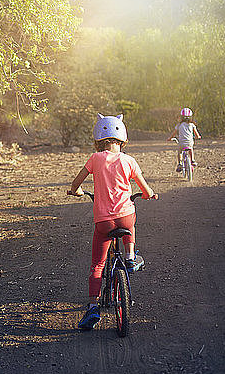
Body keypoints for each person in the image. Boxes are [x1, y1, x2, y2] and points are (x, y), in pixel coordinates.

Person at [67, 113, 157, 331]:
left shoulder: (95, 159)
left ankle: (92, 307)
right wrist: (148, 195)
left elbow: (76, 183)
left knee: (98, 265)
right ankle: (129, 256)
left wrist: (75, 191)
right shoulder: (130, 161)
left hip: (104, 222)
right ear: (123, 140)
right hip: (125, 217)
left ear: (98, 140)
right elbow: (146, 190)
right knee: (130, 219)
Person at [168, 107, 202, 171]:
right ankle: (192, 160)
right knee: (190, 149)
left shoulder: (179, 125)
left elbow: (174, 134)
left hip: (181, 143)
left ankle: (180, 164)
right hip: (189, 143)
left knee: (180, 152)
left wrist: (170, 138)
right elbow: (197, 134)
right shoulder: (192, 125)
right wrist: (198, 137)